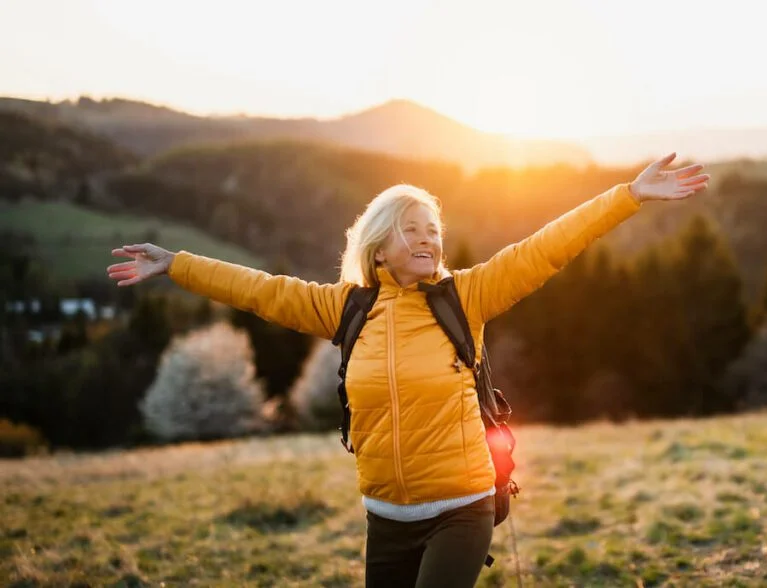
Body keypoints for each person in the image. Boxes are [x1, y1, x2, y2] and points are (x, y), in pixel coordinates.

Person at [106, 152, 709, 587]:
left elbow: (546, 247)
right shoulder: (346, 309)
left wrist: (627, 196)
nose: (428, 239)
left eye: (433, 231)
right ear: (378, 246)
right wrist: (176, 264)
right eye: (411, 229)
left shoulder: (465, 298)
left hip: (463, 507)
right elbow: (260, 291)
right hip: (385, 516)